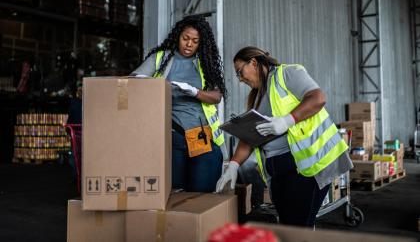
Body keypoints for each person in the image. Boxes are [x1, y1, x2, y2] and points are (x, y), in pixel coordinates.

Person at [216, 46, 353, 227]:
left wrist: (288, 120)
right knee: (290, 227)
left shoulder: (287, 74)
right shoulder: (256, 97)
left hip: (304, 168)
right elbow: (249, 137)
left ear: (254, 63)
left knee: (297, 228)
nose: (240, 79)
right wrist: (233, 165)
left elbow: (318, 97)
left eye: (240, 72)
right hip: (278, 173)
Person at [131, 15, 227, 192]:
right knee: (175, 194)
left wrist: (195, 92)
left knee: (202, 194)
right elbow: (133, 83)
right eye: (185, 38)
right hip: (172, 135)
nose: (189, 44)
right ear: (178, 36)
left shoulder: (204, 62)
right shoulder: (161, 59)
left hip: (201, 136)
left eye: (195, 41)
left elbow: (216, 96)